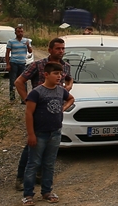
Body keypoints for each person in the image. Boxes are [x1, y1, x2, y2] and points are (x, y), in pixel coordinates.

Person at [14, 38, 74, 190]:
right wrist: (27, 99)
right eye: (57, 49)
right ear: (50, 50)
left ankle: (40, 177)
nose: (61, 51)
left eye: (63, 48)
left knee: (49, 149)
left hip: (54, 112)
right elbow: (19, 82)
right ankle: (21, 178)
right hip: (38, 111)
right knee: (31, 146)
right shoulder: (38, 65)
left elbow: (68, 79)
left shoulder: (66, 66)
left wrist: (69, 85)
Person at [22, 63, 74, 206]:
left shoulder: (60, 91)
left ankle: (47, 191)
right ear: (46, 75)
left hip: (55, 133)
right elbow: (29, 113)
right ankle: (28, 194)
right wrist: (31, 134)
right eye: (55, 73)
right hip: (40, 133)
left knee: (49, 164)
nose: (59, 76)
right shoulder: (37, 93)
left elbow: (71, 98)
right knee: (33, 163)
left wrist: (63, 108)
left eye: (60, 74)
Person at [5, 24, 32, 102]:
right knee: (13, 81)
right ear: (15, 33)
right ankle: (12, 98)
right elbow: (7, 53)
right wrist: (8, 64)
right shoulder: (11, 41)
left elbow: (30, 51)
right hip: (14, 63)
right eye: (18, 31)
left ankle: (24, 98)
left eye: (21, 31)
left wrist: (28, 46)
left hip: (22, 63)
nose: (20, 33)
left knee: (23, 81)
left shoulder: (26, 41)